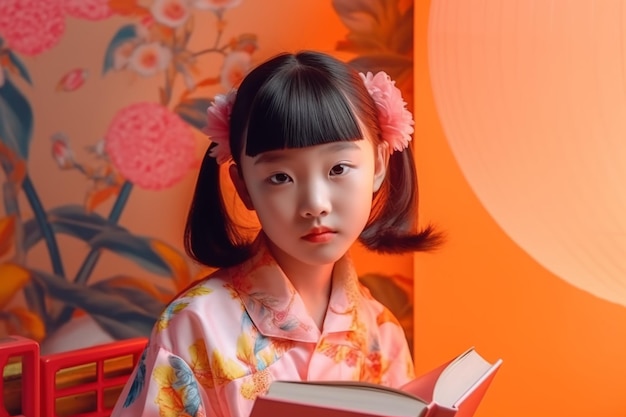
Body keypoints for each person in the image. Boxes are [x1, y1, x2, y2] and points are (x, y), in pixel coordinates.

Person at [111, 50, 442, 417]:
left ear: (379, 164)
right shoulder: (193, 325)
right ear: (244, 187)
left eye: (338, 168)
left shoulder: (381, 332)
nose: (315, 204)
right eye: (280, 177)